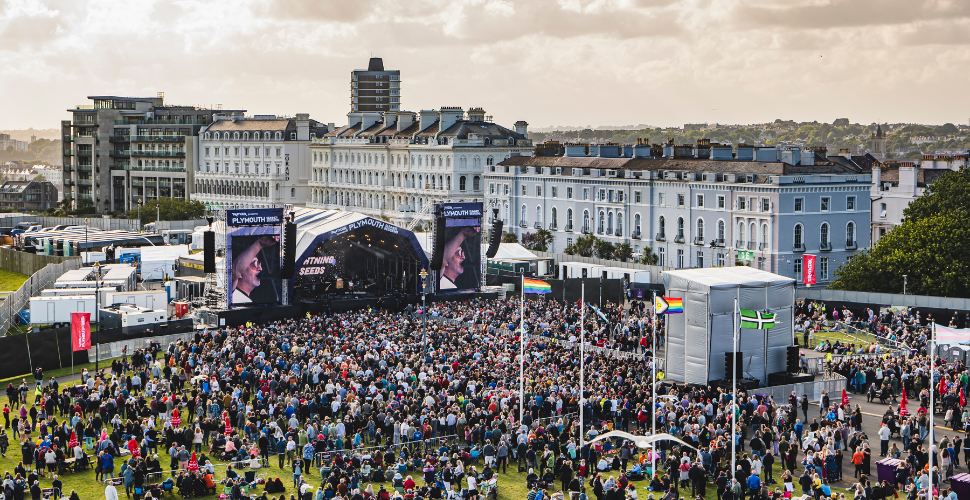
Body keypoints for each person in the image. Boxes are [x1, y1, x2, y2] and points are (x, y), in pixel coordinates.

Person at [231, 235, 279, 304]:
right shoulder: (230, 292)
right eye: (254, 264)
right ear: (241, 273)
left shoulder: (249, 302)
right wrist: (260, 243)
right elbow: (234, 272)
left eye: (259, 264)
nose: (260, 268)